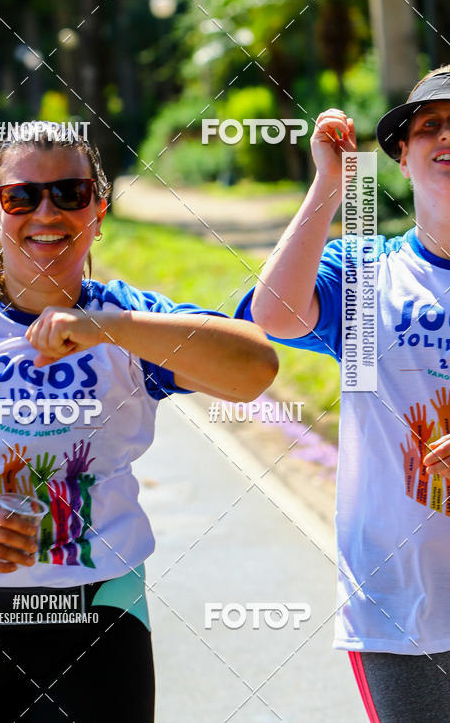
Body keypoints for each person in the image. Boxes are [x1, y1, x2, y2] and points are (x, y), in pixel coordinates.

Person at [0, 123, 278, 723]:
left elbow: (254, 368)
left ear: (99, 211)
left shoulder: (133, 325)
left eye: (70, 194)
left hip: (97, 620)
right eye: (21, 197)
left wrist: (108, 327)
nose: (45, 211)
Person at [237, 66, 450, 722]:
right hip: (399, 610)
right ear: (403, 159)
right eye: (431, 127)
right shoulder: (366, 274)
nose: (448, 137)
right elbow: (271, 315)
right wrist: (329, 189)